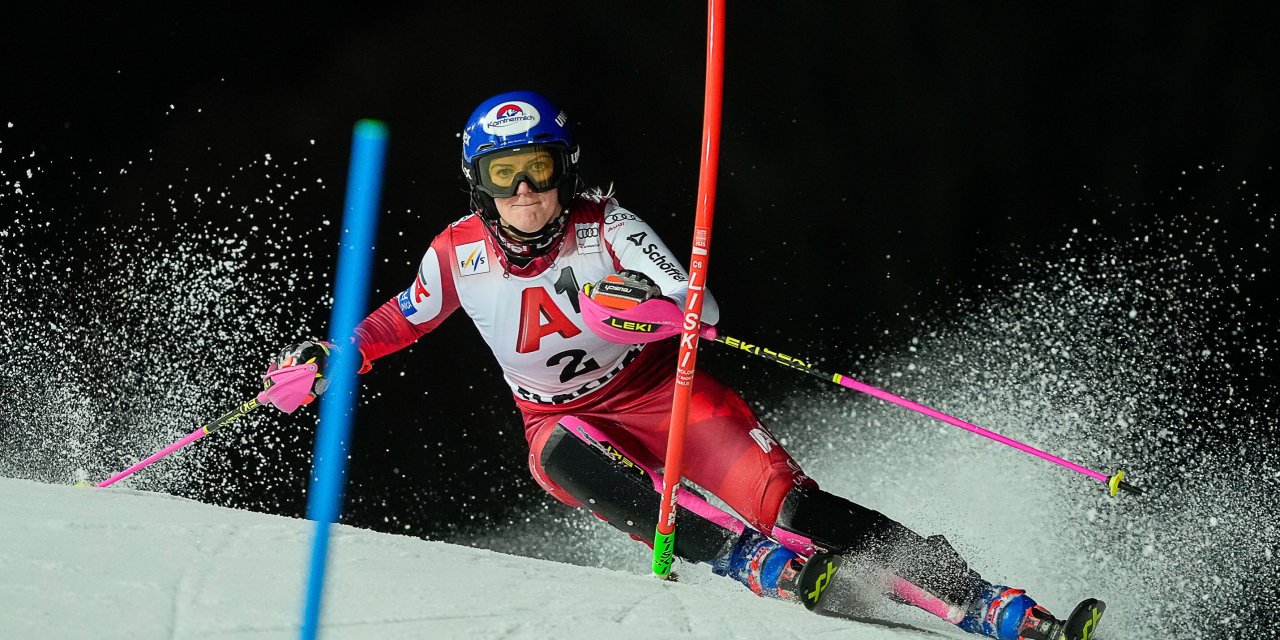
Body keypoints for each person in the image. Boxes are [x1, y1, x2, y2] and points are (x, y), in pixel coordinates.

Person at [263, 90, 1101, 640]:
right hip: (565, 418)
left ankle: (983, 598)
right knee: (555, 459)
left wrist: (652, 309)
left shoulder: (609, 227)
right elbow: (397, 321)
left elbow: (702, 308)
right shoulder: (458, 254)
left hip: (665, 395)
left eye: (540, 171)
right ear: (477, 183)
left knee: (793, 507)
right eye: (504, 176)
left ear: (567, 170)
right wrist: (334, 357)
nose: (525, 193)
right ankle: (741, 558)